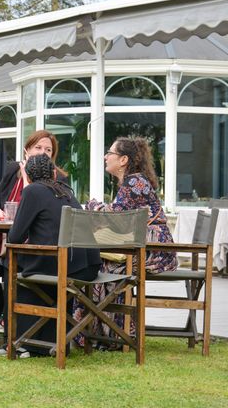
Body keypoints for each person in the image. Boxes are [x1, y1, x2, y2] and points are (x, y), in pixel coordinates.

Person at [73, 136, 177, 348]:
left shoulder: (134, 181)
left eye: (110, 152)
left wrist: (94, 206)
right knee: (96, 265)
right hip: (140, 246)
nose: (105, 156)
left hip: (153, 251)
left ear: (123, 160)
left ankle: (111, 336)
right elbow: (120, 219)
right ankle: (101, 334)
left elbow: (118, 220)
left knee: (99, 269)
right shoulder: (130, 182)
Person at [0, 154, 101, 357]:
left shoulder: (33, 191)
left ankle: (20, 341)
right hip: (86, 266)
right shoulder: (66, 191)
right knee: (34, 266)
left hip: (61, 265)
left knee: (10, 264)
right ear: (53, 173)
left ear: (28, 175)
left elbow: (15, 236)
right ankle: (51, 339)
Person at [0, 129, 68, 333]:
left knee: (9, 260)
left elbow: (32, 200)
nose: (42, 153)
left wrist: (26, 179)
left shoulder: (57, 179)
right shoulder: (11, 170)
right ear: (26, 150)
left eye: (48, 150)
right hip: (6, 236)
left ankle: (10, 321)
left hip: (36, 245)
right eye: (38, 147)